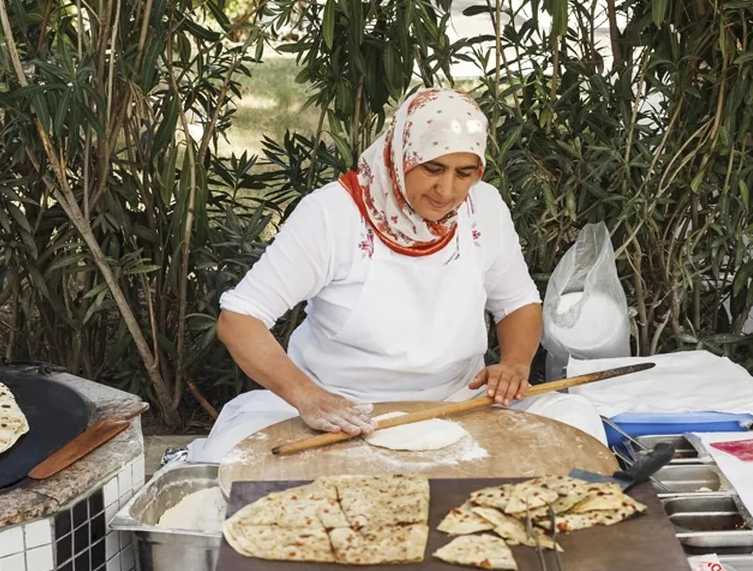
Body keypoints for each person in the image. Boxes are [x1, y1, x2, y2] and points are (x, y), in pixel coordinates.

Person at [196, 88, 603, 463]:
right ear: (400, 155)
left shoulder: (485, 208)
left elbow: (516, 302)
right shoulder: (332, 215)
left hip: (462, 400)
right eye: (433, 168)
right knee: (224, 458)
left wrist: (515, 364)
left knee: (578, 422)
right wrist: (309, 397)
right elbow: (240, 320)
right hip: (343, 406)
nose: (446, 190)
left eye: (465, 173)